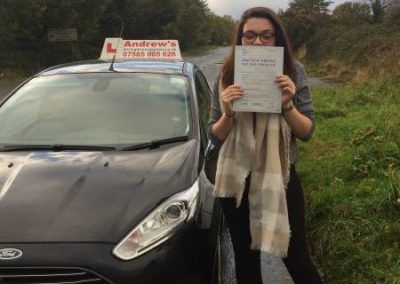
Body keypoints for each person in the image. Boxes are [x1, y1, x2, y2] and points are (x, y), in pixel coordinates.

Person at [208, 6, 323, 284]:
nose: (257, 42)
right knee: (245, 260)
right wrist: (229, 113)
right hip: (236, 179)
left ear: (277, 39)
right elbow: (214, 135)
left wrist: (287, 106)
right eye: (249, 36)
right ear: (240, 39)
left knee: (295, 256)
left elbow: (306, 131)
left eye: (266, 36)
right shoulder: (227, 73)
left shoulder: (293, 71)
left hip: (280, 179)